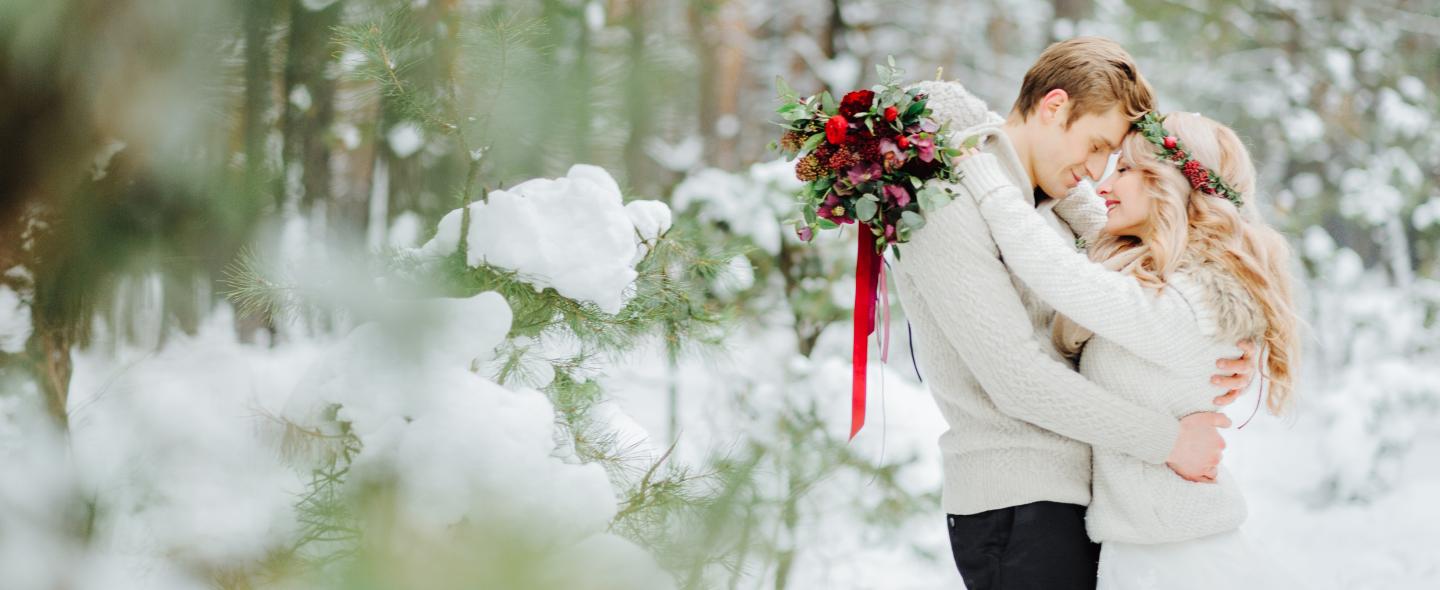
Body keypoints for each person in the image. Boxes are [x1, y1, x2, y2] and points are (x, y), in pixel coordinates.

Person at [888, 37, 1256, 590]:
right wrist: (1170, 442)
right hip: (1017, 501)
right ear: (1055, 107)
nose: (1096, 172)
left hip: (1081, 497)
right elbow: (1016, 380)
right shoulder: (947, 200)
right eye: (1096, 146)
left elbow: (1158, 279)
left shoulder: (1051, 200)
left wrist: (1228, 347)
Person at [956, 110, 1301, 589]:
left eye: (1122, 169)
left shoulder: (1192, 303)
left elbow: (1057, 272)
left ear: (1169, 182)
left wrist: (985, 179)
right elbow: (1088, 232)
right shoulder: (1172, 283)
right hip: (1146, 548)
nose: (1102, 183)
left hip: (1178, 558)